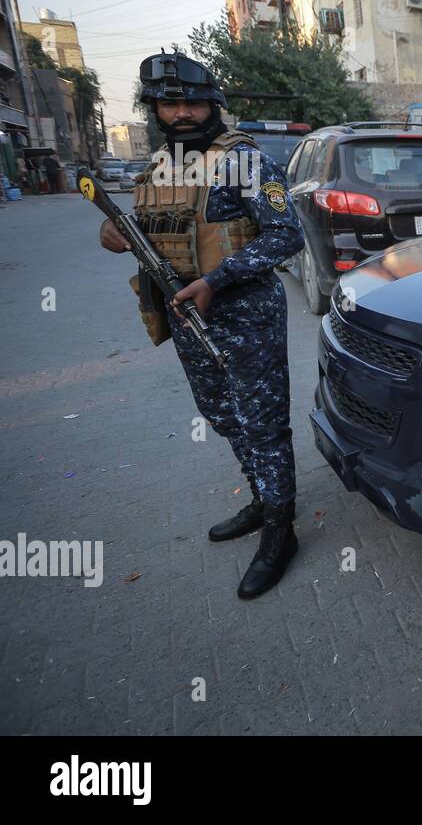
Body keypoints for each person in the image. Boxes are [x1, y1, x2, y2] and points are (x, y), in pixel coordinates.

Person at [97, 52, 306, 599]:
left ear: (213, 104)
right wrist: (115, 237)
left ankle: (282, 532)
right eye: (170, 103)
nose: (183, 112)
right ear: (156, 110)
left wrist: (219, 279)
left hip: (244, 315)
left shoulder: (246, 163)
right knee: (221, 416)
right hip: (186, 315)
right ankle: (264, 500)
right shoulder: (157, 170)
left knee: (262, 424)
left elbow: (286, 235)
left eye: (193, 102)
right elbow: (154, 234)